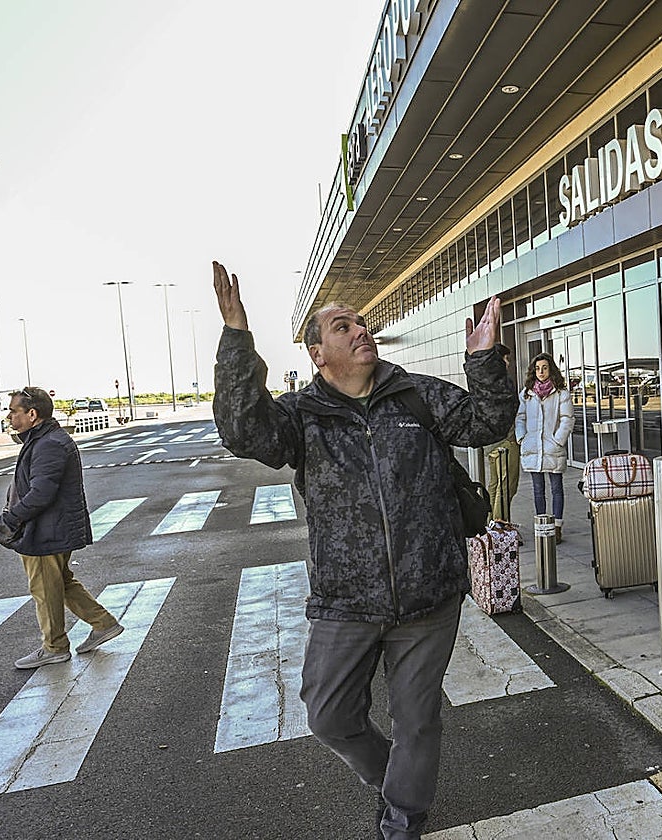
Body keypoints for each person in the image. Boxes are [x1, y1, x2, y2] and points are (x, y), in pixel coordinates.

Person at [211, 261, 516, 840]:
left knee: (417, 720)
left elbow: (487, 423)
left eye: (361, 322)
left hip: (428, 594)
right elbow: (242, 432)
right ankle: (393, 781)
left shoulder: (416, 395)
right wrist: (236, 339)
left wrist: (482, 361)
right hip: (345, 599)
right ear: (318, 355)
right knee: (329, 716)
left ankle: (403, 818)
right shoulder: (301, 416)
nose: (360, 330)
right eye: (343, 327)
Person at [0, 387, 124, 670]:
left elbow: (41, 493)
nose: (9, 416)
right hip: (51, 527)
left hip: (45, 530)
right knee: (61, 582)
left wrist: (12, 518)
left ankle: (54, 647)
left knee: (44, 588)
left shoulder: (48, 443)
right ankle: (104, 623)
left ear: (32, 414)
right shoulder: (44, 439)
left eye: (14, 411)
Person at [515, 353, 574, 541]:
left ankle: (557, 527)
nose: (541, 372)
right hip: (533, 447)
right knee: (537, 489)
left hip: (552, 447)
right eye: (538, 368)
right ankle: (542, 526)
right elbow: (520, 418)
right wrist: (522, 437)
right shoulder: (526, 393)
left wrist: (558, 440)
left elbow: (567, 419)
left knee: (556, 488)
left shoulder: (561, 393)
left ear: (551, 369)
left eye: (545, 368)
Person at [482, 345, 520, 522]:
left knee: (495, 484)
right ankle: (500, 527)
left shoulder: (484, 380)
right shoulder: (501, 381)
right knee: (507, 487)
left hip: (490, 442)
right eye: (505, 358)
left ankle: (490, 523)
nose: (507, 362)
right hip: (505, 440)